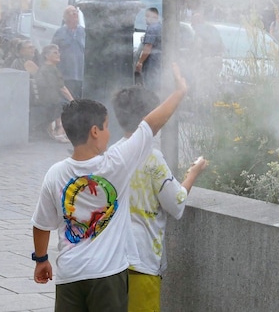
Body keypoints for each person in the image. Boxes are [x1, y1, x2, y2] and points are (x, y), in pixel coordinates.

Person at [31, 63, 188, 312]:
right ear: (95, 131)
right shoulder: (115, 165)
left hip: (69, 274)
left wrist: (41, 260)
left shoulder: (55, 173)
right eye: (106, 126)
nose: (109, 132)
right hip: (107, 275)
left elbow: (41, 224)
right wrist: (179, 91)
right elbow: (149, 125)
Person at [111, 85, 207, 312]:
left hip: (112, 259)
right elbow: (176, 203)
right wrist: (192, 174)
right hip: (142, 260)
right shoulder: (152, 158)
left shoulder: (113, 153)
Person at [35, 44, 74, 142]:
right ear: (47, 56)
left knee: (62, 103)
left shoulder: (48, 68)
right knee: (69, 105)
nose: (58, 55)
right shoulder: (50, 69)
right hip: (49, 100)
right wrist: (73, 100)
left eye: (58, 52)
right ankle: (59, 132)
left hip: (49, 98)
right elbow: (62, 88)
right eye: (55, 53)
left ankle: (55, 130)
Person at [51, 5, 85, 99]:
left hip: (81, 74)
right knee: (69, 101)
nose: (75, 14)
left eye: (76, 12)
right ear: (65, 17)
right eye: (71, 12)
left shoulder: (83, 32)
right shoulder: (60, 32)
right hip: (66, 74)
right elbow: (53, 51)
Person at [135, 7, 162, 92]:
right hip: (159, 61)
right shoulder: (160, 27)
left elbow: (148, 47)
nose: (145, 18)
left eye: (147, 16)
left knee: (150, 86)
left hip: (152, 63)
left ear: (155, 17)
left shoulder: (152, 28)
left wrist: (140, 62)